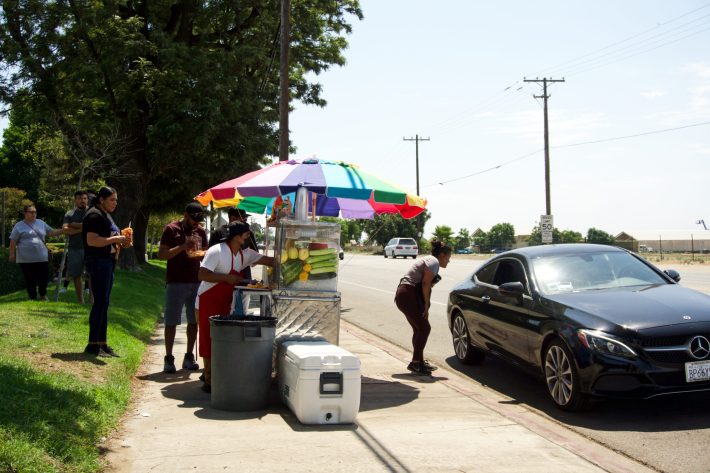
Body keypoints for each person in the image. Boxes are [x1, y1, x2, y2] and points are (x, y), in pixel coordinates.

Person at [196, 221, 274, 392]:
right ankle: (209, 379)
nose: (249, 238)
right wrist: (225, 278)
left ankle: (214, 374)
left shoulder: (244, 254)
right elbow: (202, 274)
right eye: (246, 235)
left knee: (221, 340)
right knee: (208, 339)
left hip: (225, 302)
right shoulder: (216, 251)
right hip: (206, 300)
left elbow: (271, 261)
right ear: (237, 237)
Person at [158, 202, 208, 373]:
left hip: (195, 281)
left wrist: (200, 252)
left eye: (199, 220)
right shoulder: (172, 229)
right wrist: (183, 247)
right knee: (171, 320)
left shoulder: (200, 231)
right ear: (185, 215)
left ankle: (188, 356)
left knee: (194, 321)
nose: (196, 223)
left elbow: (205, 254)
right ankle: (169, 357)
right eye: (194, 219)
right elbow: (162, 254)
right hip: (176, 281)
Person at [82, 186, 131, 357]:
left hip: (107, 262)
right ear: (101, 200)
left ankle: (102, 343)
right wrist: (115, 238)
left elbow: (108, 237)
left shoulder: (105, 214)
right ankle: (92, 345)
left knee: (104, 303)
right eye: (112, 199)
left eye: (116, 200)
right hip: (98, 262)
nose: (115, 203)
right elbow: (92, 241)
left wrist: (121, 240)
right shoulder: (94, 215)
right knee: (100, 302)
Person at [394, 240, 452, 375]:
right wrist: (426, 304)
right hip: (407, 294)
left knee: (419, 329)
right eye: (448, 258)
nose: (449, 261)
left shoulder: (429, 260)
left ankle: (419, 362)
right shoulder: (434, 262)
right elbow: (425, 284)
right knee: (425, 328)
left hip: (405, 294)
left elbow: (426, 284)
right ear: (443, 255)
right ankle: (415, 363)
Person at [8, 205, 64, 301]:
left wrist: (63, 230)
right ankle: (32, 296)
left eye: (35, 212)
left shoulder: (41, 223)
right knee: (30, 278)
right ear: (25, 213)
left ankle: (43, 295)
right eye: (31, 212)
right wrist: (12, 254)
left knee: (43, 277)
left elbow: (51, 232)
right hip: (26, 259)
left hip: (41, 257)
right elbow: (13, 241)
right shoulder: (19, 225)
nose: (34, 214)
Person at [62, 190, 92, 304]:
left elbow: (95, 226)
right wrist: (84, 227)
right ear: (75, 200)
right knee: (76, 275)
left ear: (87, 199)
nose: (82, 201)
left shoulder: (92, 212)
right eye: (80, 198)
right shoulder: (69, 214)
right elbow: (65, 230)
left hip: (91, 248)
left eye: (84, 198)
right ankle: (81, 300)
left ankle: (92, 299)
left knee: (91, 274)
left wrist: (73, 225)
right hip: (75, 248)